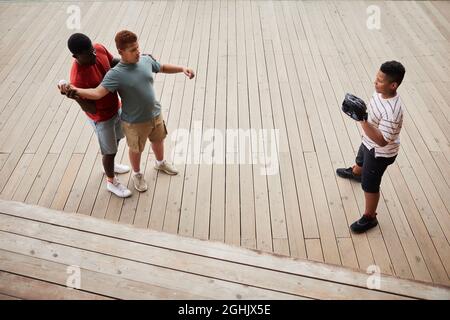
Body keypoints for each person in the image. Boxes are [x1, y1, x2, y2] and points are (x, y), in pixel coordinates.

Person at [64, 30, 195, 192]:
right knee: (121, 150)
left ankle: (160, 163)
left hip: (147, 112)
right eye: (133, 50)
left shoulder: (142, 60)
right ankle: (126, 177)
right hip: (117, 119)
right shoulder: (108, 75)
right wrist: (75, 92)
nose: (94, 55)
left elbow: (160, 67)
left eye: (137, 48)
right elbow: (96, 95)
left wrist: (181, 68)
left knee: (154, 140)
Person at [59, 33, 132, 198]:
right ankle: (111, 181)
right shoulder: (78, 78)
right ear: (76, 56)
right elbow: (91, 109)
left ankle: (109, 166)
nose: (93, 55)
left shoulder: (98, 48)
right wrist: (75, 97)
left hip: (115, 107)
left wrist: (131, 61)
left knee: (118, 138)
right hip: (101, 118)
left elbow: (112, 61)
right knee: (109, 152)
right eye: (87, 54)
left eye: (92, 50)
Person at [336, 61, 406, 233]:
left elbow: (382, 141)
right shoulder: (380, 93)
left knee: (370, 185)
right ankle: (356, 173)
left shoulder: (393, 111)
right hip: (369, 141)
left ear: (393, 85)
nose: (375, 82)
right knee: (360, 158)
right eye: (376, 77)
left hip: (380, 153)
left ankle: (370, 217)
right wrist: (365, 116)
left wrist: (362, 120)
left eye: (380, 80)